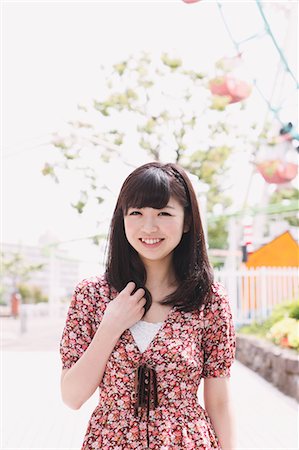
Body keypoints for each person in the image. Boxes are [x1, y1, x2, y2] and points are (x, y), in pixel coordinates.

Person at [60, 161, 237, 450]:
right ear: (123, 219)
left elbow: (219, 402)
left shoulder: (210, 300)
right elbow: (72, 396)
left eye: (164, 213)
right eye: (137, 213)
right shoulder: (91, 295)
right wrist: (111, 326)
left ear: (187, 221)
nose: (149, 226)